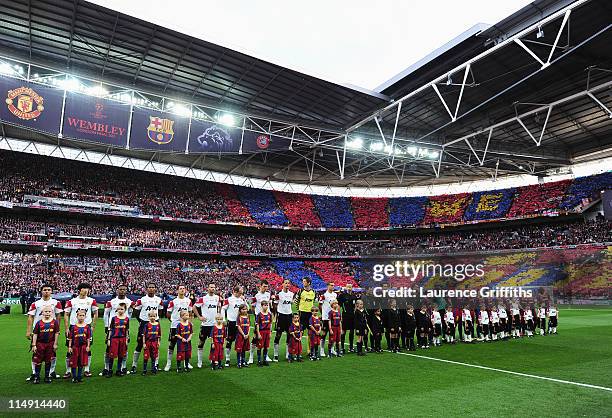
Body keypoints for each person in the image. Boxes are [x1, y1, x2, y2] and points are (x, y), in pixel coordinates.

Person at [26, 283, 62, 380]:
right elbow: (30, 317)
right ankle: (34, 373)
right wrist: (28, 331)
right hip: (38, 332)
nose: (46, 291)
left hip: (51, 331)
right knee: (35, 352)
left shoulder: (56, 303)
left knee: (52, 353)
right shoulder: (36, 303)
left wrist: (57, 329)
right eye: (45, 289)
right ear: (41, 291)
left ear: (51, 291)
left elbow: (58, 316)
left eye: (48, 289)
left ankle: (52, 372)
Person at [63, 283, 97, 378]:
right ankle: (68, 370)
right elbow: (66, 314)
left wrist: (92, 327)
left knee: (87, 348)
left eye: (87, 288)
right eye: (84, 288)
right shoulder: (72, 301)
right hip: (74, 327)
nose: (86, 290)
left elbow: (95, 313)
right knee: (70, 349)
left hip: (86, 327)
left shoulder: (91, 301)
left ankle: (87, 369)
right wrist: (66, 328)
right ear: (79, 290)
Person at [101, 284, 134, 377]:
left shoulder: (129, 302)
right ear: (117, 290)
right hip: (112, 328)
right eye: (120, 289)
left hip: (123, 328)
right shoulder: (112, 302)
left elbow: (130, 313)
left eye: (124, 289)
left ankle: (122, 367)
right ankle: (107, 368)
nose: (122, 291)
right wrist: (107, 326)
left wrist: (127, 322)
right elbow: (106, 314)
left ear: (126, 290)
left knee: (124, 349)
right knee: (108, 349)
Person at [131, 283, 162, 373]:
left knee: (156, 345)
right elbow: (136, 310)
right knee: (140, 344)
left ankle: (155, 364)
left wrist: (156, 319)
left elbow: (160, 310)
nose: (151, 289)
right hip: (144, 322)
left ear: (155, 289)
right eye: (150, 287)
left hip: (155, 323)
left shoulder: (158, 300)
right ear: (146, 289)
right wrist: (140, 321)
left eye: (153, 287)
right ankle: (134, 365)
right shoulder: (142, 300)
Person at [164, 285, 193, 372]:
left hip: (185, 327)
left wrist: (189, 323)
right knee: (172, 344)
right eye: (180, 289)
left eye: (183, 288)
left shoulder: (188, 301)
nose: (182, 290)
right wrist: (173, 321)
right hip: (175, 326)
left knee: (186, 345)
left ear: (185, 290)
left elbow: (190, 313)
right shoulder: (173, 301)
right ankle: (168, 363)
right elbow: (168, 313)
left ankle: (186, 363)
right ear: (177, 291)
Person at [194, 283, 222, 368]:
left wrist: (219, 315)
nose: (212, 288)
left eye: (214, 287)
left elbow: (219, 306)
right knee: (201, 342)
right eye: (211, 287)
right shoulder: (203, 298)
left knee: (213, 343)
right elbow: (194, 307)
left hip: (214, 325)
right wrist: (199, 317)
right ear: (208, 288)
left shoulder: (217, 298)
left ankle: (212, 359)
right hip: (205, 324)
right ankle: (199, 361)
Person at [30, 306, 60, 384]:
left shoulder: (55, 322)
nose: (47, 313)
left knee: (48, 361)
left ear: (52, 313)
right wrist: (34, 345)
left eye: (49, 311)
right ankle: (37, 377)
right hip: (40, 344)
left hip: (50, 344)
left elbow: (57, 333)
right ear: (42, 313)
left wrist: (55, 344)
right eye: (45, 311)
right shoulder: (38, 323)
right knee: (38, 361)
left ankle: (47, 376)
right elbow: (35, 334)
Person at [221, 285, 247, 367]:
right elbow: (223, 309)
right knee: (229, 341)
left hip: (240, 323)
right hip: (231, 322)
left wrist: (244, 300)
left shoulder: (241, 299)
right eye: (240, 291)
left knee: (240, 340)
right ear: (235, 291)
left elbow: (247, 308)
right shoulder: (229, 299)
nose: (241, 293)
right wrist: (224, 320)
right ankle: (227, 359)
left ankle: (241, 360)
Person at [248, 280, 271, 364]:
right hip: (259, 319)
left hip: (267, 319)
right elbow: (252, 307)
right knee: (255, 338)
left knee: (266, 339)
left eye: (267, 286)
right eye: (264, 286)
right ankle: (251, 356)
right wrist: (257, 315)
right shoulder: (256, 296)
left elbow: (270, 306)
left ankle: (266, 356)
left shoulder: (268, 295)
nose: (266, 288)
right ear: (260, 286)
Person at [105, 303, 129, 377]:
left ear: (125, 310)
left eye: (122, 309)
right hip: (114, 339)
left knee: (121, 355)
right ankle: (110, 370)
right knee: (111, 355)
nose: (120, 310)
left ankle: (119, 370)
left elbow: (127, 330)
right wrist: (108, 339)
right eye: (118, 309)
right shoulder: (114, 318)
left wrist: (126, 339)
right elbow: (111, 330)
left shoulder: (127, 319)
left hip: (122, 339)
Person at [67, 310, 91, 383]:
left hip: (83, 347)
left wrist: (88, 346)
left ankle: (79, 376)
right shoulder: (74, 327)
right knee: (74, 362)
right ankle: (74, 377)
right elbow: (70, 338)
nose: (81, 317)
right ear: (77, 316)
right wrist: (70, 347)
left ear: (85, 317)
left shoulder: (87, 327)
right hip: (75, 347)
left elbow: (88, 338)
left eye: (83, 315)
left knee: (81, 362)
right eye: (80, 315)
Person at [272, 279, 293, 362]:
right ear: (282, 284)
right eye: (286, 283)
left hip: (289, 316)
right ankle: (275, 355)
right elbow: (274, 305)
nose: (287, 284)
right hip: (281, 316)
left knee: (289, 335)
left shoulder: (292, 294)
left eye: (288, 283)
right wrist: (275, 315)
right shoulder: (279, 294)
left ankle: (288, 354)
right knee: (278, 335)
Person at [294, 278, 316, 356]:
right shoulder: (300, 291)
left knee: (311, 333)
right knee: (300, 332)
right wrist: (299, 310)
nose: (303, 283)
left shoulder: (314, 292)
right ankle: (298, 351)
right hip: (302, 313)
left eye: (304, 281)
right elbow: (296, 301)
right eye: (303, 281)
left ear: (309, 283)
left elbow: (313, 303)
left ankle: (310, 350)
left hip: (310, 314)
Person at [319, 282, 337, 358]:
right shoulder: (324, 295)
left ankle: (332, 349)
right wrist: (323, 314)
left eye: (333, 285)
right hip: (326, 317)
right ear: (328, 286)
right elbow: (320, 305)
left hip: (333, 317)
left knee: (333, 334)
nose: (332, 286)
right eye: (331, 285)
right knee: (323, 334)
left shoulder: (335, 295)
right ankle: (322, 349)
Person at [337, 284, 357, 354]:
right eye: (348, 287)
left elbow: (355, 306)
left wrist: (355, 313)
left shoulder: (354, 296)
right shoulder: (342, 295)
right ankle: (342, 348)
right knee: (343, 331)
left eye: (350, 287)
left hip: (352, 316)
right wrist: (339, 315)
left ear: (352, 288)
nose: (349, 288)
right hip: (345, 316)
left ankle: (351, 347)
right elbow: (339, 306)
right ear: (346, 288)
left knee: (352, 331)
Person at [142, 310, 161, 375]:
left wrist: (158, 342)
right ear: (148, 317)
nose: (152, 317)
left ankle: (153, 369)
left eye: (154, 316)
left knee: (153, 356)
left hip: (154, 342)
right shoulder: (146, 325)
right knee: (146, 356)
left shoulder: (158, 324)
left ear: (156, 317)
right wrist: (144, 343)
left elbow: (159, 335)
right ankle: (144, 370)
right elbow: (144, 335)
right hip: (148, 342)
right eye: (151, 316)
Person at [255, 300, 273, 367]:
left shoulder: (269, 314)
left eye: (267, 305)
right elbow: (257, 324)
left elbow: (270, 324)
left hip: (267, 332)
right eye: (264, 305)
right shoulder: (259, 314)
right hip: (261, 332)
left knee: (266, 346)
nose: (266, 306)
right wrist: (258, 333)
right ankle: (259, 361)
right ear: (262, 306)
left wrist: (270, 332)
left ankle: (264, 360)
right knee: (260, 346)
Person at [235, 304, 251, 369]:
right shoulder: (239, 317)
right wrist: (243, 334)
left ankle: (243, 361)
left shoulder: (248, 316)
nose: (244, 310)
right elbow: (238, 326)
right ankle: (239, 362)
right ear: (240, 310)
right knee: (239, 349)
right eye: (243, 309)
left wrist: (247, 334)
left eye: (245, 309)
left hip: (246, 336)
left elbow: (249, 326)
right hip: (240, 336)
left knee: (244, 349)